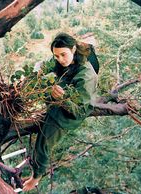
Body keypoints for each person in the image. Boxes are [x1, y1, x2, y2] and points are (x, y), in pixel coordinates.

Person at [23, 32, 98, 191]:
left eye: (63, 55)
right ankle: (34, 171)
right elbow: (47, 65)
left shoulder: (87, 76)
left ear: (74, 49)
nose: (60, 59)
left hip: (68, 115)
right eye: (56, 56)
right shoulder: (61, 59)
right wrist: (37, 73)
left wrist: (63, 99)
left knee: (43, 144)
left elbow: (80, 111)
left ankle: (35, 177)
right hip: (59, 98)